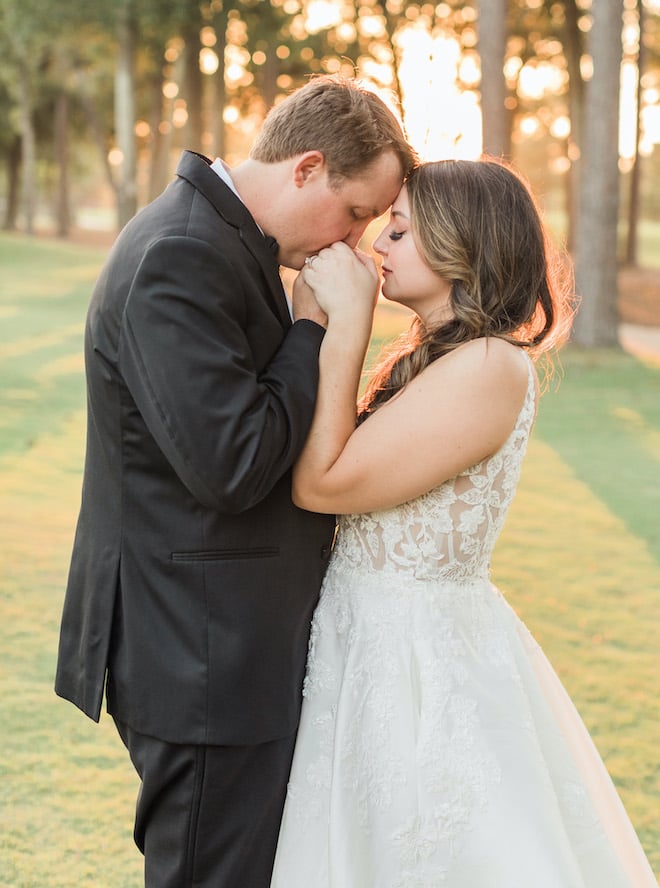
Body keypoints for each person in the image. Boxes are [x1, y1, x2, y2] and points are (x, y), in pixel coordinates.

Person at [54, 75, 416, 888]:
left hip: (222, 646)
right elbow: (234, 463)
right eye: (356, 211)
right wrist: (311, 327)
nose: (356, 241)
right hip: (201, 654)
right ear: (307, 166)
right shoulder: (181, 254)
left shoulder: (222, 243)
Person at [269, 159, 658, 887]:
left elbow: (324, 483)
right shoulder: (435, 354)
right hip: (366, 642)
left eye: (402, 229)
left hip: (418, 661)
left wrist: (341, 323)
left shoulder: (488, 365)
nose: (379, 243)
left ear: (462, 246)